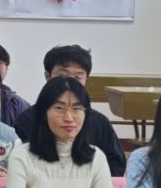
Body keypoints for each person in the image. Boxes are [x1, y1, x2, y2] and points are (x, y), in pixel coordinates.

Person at [6, 76, 119, 188]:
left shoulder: (96, 157)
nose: (69, 118)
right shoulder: (22, 156)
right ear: (44, 113)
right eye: (59, 108)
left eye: (77, 108)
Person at [12, 45, 128, 177]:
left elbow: (115, 164)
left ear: (86, 80)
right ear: (47, 76)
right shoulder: (27, 120)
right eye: (63, 76)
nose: (70, 83)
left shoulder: (99, 122)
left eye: (78, 78)